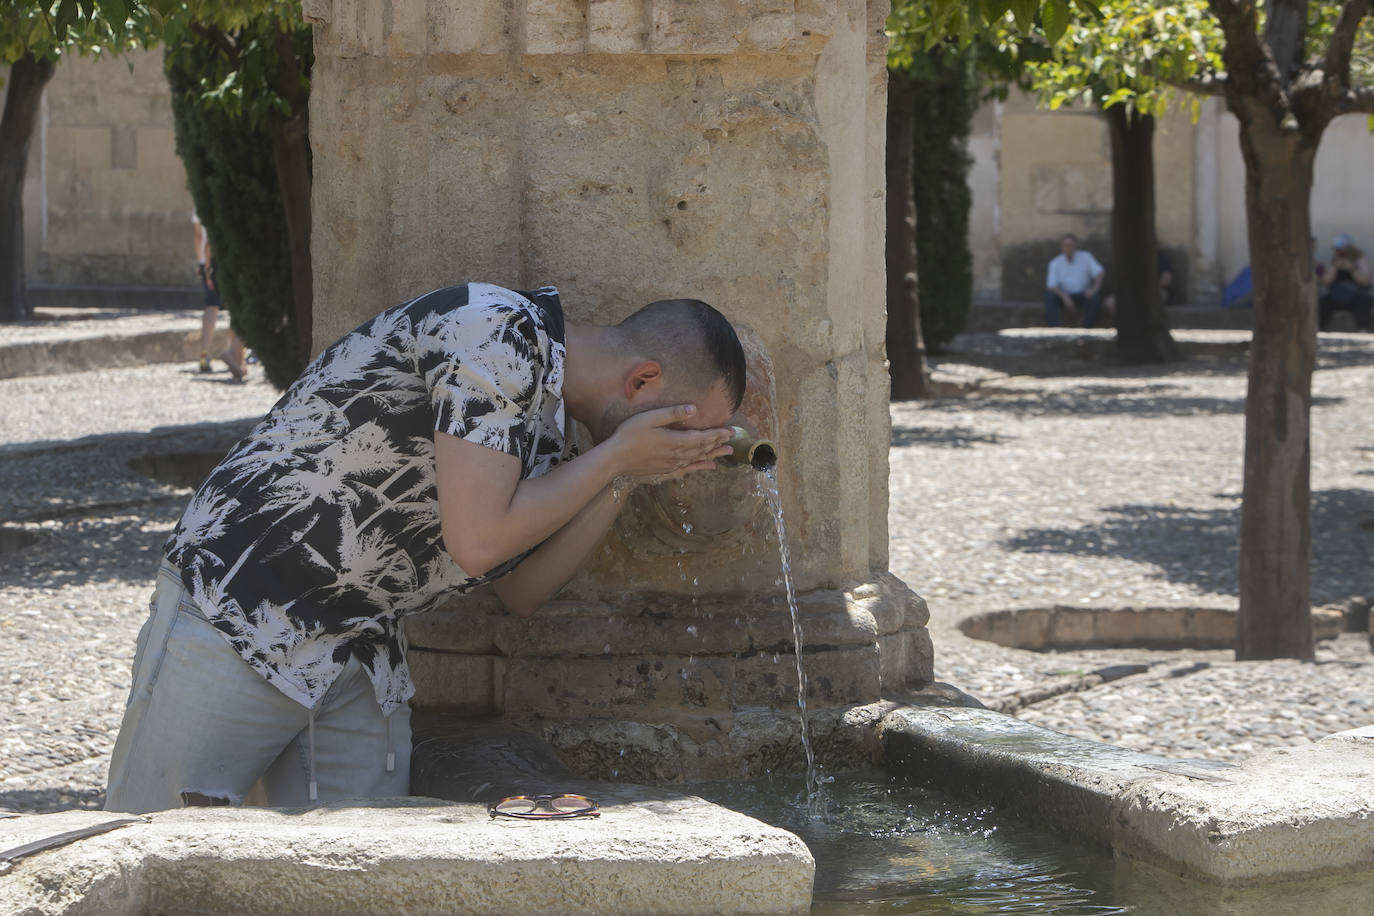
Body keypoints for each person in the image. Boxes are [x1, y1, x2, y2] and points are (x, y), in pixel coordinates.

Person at [105, 282, 743, 813]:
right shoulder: (495, 331)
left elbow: (520, 591)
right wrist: (615, 459)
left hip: (360, 655)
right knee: (144, 862)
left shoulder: (556, 437)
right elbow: (479, 540)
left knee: (365, 894)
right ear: (644, 381)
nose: (684, 448)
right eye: (684, 431)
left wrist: (623, 474)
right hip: (240, 613)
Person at [192, 212, 249, 382]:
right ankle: (235, 354)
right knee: (241, 311)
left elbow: (207, 243)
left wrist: (207, 269)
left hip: (218, 267)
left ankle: (221, 356)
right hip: (238, 266)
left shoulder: (216, 212)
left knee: (214, 307)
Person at [1043, 233, 1105, 327]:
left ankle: (1088, 329)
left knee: (1094, 298)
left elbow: (1100, 272)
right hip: (1064, 296)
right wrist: (1065, 297)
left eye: (1071, 245)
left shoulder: (1086, 257)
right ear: (1062, 247)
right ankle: (1053, 328)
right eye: (1066, 246)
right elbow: (1051, 286)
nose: (1068, 248)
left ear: (1076, 246)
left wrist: (1094, 289)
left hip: (1083, 295)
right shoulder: (1055, 263)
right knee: (1049, 297)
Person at [1319, 233, 1372, 331]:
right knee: (1322, 303)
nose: (1341, 252)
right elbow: (1326, 282)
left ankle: (1363, 329)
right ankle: (1322, 329)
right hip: (1336, 296)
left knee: (1365, 301)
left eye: (1343, 249)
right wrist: (1335, 267)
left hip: (1355, 295)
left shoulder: (1359, 260)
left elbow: (1366, 282)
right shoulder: (1334, 261)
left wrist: (1352, 270)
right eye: (1338, 250)